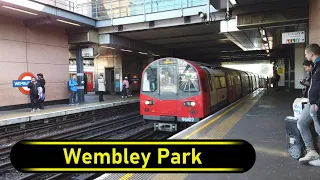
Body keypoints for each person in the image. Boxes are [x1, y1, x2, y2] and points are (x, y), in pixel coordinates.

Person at [297, 43, 320, 166]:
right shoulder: (315, 67)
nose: (305, 56)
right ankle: (311, 151)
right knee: (301, 122)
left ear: (311, 54)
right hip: (311, 103)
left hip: (316, 104)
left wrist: (317, 103)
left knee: (319, 128)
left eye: (306, 53)